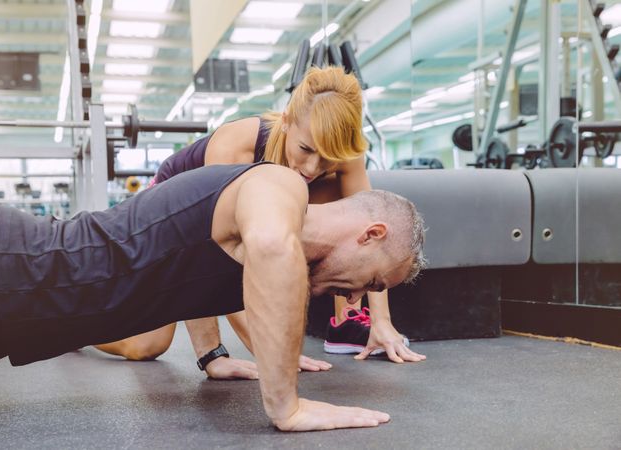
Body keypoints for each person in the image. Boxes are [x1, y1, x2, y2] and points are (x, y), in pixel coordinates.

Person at [0, 162, 425, 431]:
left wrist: (212, 355)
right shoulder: (277, 186)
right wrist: (287, 406)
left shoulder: (254, 243)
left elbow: (197, 265)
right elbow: (271, 248)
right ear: (371, 234)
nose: (360, 297)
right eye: (374, 283)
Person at [96, 66, 426, 372]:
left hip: (227, 222)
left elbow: (373, 241)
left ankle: (346, 322)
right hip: (172, 206)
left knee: (336, 203)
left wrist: (382, 322)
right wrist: (224, 354)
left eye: (327, 159)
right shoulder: (238, 145)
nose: (312, 169)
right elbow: (204, 256)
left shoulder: (343, 159)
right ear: (286, 121)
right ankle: (83, 332)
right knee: (147, 345)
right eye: (306, 149)